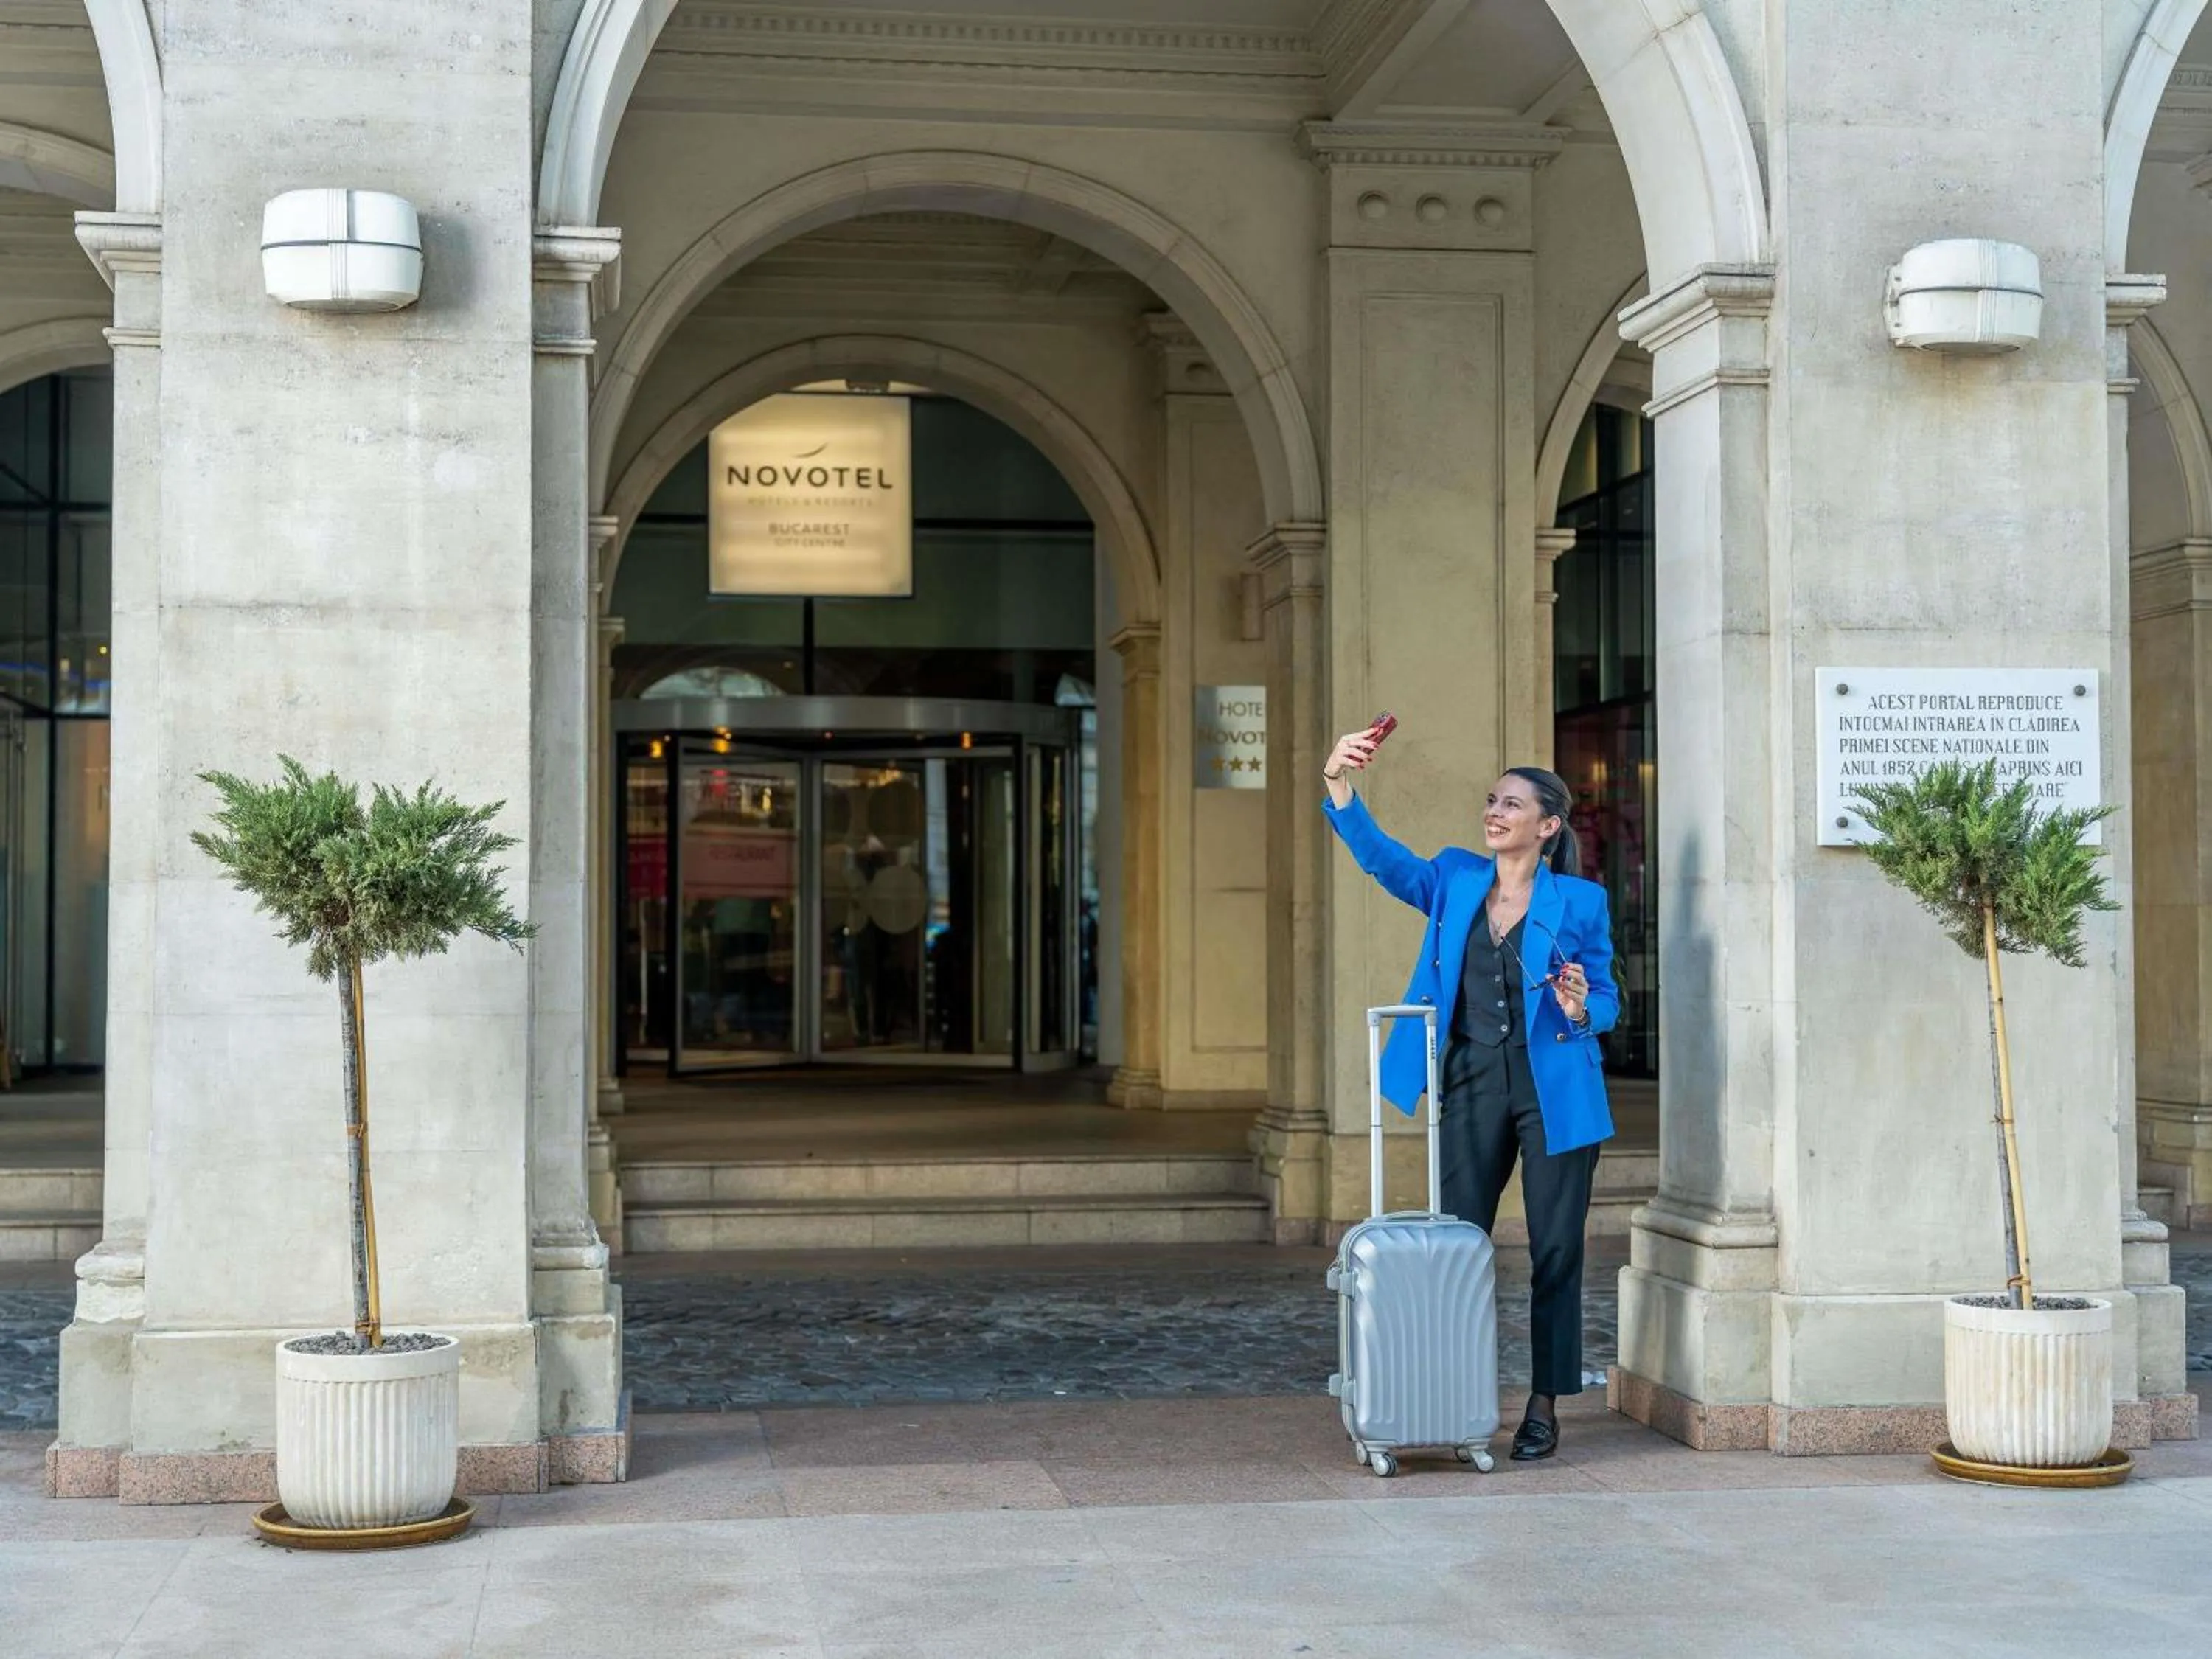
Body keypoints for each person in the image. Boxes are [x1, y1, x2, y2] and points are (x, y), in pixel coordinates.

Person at [1321, 728, 1617, 1462]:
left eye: (1510, 804)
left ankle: (1543, 1405)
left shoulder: (1580, 901)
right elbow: (1383, 861)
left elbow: (1608, 998)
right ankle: (1448, 1392)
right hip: (1473, 1078)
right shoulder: (1455, 880)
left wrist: (1582, 1007)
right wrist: (1338, 781)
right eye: (1491, 800)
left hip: (1556, 1089)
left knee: (1555, 1252)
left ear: (1546, 826)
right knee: (1456, 1243)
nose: (1494, 812)